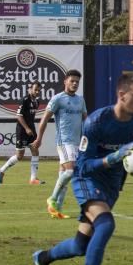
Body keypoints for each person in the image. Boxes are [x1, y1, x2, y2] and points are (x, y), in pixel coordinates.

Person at [31, 74, 133, 265]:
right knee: (106, 224)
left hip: (111, 184)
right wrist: (113, 157)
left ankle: (43, 258)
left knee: (80, 246)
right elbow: (84, 165)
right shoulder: (97, 121)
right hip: (87, 178)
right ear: (122, 95)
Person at [33, 69, 87, 220]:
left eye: (77, 81)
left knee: (64, 175)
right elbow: (44, 119)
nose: (75, 84)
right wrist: (39, 138)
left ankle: (57, 209)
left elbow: (85, 120)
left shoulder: (80, 100)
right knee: (71, 171)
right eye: (72, 81)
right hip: (64, 141)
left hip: (77, 143)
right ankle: (52, 198)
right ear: (65, 81)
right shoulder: (58, 99)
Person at [0, 82, 44, 185]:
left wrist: (30, 128)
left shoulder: (36, 102)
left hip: (31, 130)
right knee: (19, 156)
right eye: (35, 89)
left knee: (35, 151)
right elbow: (19, 116)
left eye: (39, 90)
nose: (37, 92)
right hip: (22, 131)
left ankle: (33, 179)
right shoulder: (25, 100)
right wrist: (26, 128)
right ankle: (2, 170)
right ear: (30, 89)